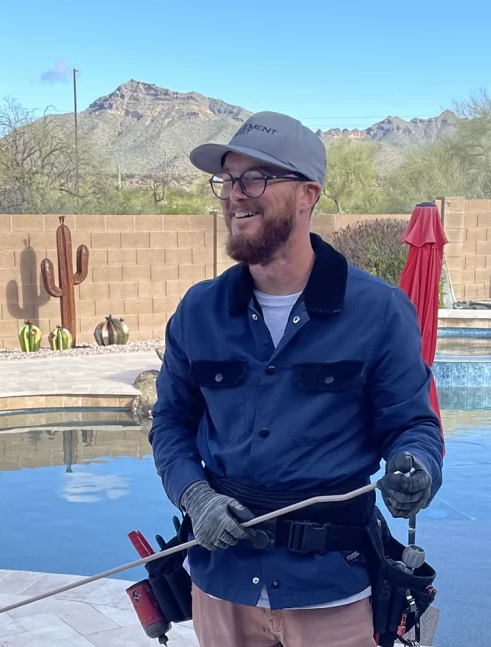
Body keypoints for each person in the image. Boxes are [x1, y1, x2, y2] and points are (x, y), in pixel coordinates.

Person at [148, 111, 444, 647]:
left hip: (334, 591)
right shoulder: (198, 311)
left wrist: (418, 469)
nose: (235, 195)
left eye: (255, 179)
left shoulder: (380, 311)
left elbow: (415, 427)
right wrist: (195, 496)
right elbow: (169, 423)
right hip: (222, 586)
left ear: (308, 195)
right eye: (228, 180)